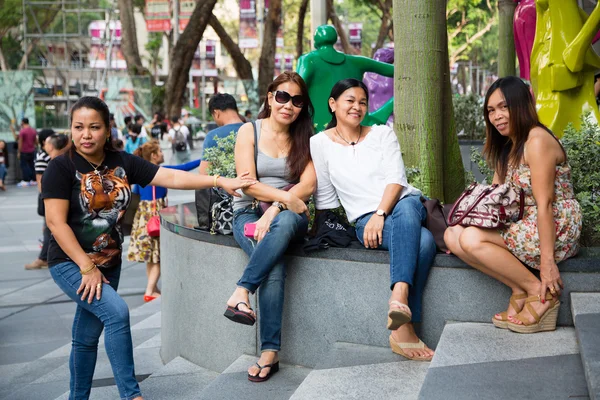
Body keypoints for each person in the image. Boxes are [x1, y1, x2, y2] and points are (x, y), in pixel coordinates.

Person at [42, 96, 255, 400]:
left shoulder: (122, 162)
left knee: (87, 337)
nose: (85, 134)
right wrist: (86, 267)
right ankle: (132, 396)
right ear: (71, 129)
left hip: (108, 261)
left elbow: (168, 175)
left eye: (94, 127)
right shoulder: (60, 168)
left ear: (107, 128)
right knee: (116, 314)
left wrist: (219, 179)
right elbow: (55, 223)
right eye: (78, 127)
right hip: (70, 262)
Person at [444, 76, 582, 334]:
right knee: (453, 235)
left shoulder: (536, 140)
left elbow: (546, 204)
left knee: (472, 238)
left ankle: (539, 292)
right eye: (491, 111)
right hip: (523, 221)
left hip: (555, 224)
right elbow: (497, 199)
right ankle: (520, 287)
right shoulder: (509, 146)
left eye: (503, 107)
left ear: (521, 104)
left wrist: (548, 263)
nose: (497, 116)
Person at [311, 78, 436, 361]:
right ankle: (406, 324)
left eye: (363, 102)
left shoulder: (382, 133)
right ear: (333, 104)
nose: (357, 107)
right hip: (364, 220)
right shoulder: (318, 144)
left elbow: (397, 180)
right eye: (350, 100)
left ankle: (399, 300)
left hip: (402, 205)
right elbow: (327, 198)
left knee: (406, 208)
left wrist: (380, 214)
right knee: (424, 241)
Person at [225, 71, 316, 382]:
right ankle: (270, 353)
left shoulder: (304, 136)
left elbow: (309, 184)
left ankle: (242, 290)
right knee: (274, 265)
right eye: (282, 97)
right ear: (269, 97)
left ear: (303, 106)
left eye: (297, 100)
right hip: (249, 214)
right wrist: (279, 202)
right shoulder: (248, 131)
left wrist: (276, 208)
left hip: (288, 215)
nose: (288, 105)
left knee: (290, 217)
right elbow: (248, 184)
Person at [127, 141, 201, 302]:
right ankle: (149, 291)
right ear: (153, 156)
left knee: (151, 257)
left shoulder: (140, 172)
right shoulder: (160, 171)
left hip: (142, 217)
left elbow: (136, 193)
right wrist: (204, 159)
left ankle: (153, 288)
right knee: (159, 256)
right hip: (154, 215)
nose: (162, 153)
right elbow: (184, 169)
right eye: (160, 151)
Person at [24, 128, 55, 270]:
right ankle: (44, 258)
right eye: (51, 139)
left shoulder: (54, 155)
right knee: (48, 228)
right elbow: (40, 181)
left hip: (55, 197)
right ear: (44, 142)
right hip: (49, 198)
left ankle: (45, 258)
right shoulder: (43, 157)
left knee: (49, 228)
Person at [199, 93, 245, 175]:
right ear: (236, 109)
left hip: (225, 186)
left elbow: (204, 174)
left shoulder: (213, 136)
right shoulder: (255, 129)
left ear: (216, 113)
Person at [11, 117, 38, 187]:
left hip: (24, 151)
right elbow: (36, 141)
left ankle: (26, 180)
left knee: (24, 166)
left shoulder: (22, 131)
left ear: (22, 122)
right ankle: (33, 180)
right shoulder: (33, 130)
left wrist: (19, 152)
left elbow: (20, 142)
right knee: (32, 165)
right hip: (32, 151)